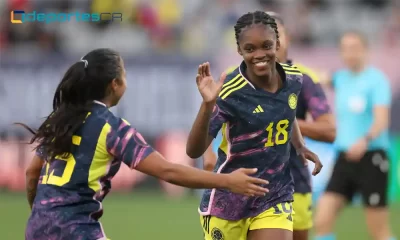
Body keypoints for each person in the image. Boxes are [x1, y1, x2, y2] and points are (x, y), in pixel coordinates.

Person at [21, 48, 270, 240]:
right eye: (125, 75)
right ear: (114, 85)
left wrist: (43, 214)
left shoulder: (61, 118)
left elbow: (32, 173)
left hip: (36, 229)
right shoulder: (112, 129)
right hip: (78, 231)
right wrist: (228, 181)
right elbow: (168, 171)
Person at [186, 11, 323, 240]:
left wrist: (299, 145)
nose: (259, 55)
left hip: (274, 195)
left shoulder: (294, 80)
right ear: (239, 50)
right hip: (228, 200)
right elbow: (193, 150)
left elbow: (286, 113)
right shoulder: (230, 92)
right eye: (250, 49)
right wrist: (207, 105)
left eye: (266, 46)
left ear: (277, 44)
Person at [313, 32, 396, 240]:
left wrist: (364, 140)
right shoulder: (340, 78)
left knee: (378, 231)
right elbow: (318, 77)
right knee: (322, 219)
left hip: (371, 157)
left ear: (365, 50)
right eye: (345, 49)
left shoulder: (377, 81)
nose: (350, 53)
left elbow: (381, 120)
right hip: (344, 158)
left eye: (355, 48)